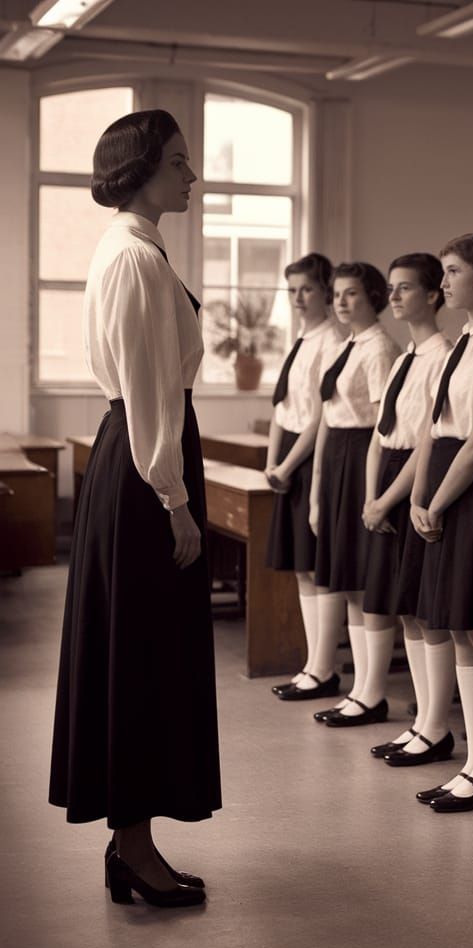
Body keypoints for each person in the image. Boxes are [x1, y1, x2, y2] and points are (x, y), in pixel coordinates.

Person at [49, 109, 219, 907]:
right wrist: (176, 501)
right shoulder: (134, 259)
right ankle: (135, 849)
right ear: (144, 167)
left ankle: (134, 845)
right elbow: (151, 391)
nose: (191, 176)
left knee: (147, 654)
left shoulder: (139, 249)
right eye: (180, 162)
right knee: (141, 658)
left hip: (146, 460)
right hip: (149, 468)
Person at [392, 233, 473, 812]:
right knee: (461, 627)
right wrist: (418, 494)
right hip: (441, 479)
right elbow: (431, 427)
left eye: (453, 272)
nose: (444, 284)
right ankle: (470, 762)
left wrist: (438, 502)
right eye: (441, 272)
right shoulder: (464, 339)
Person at [279, 263, 399, 715]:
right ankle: (358, 689)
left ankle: (372, 690)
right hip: (335, 460)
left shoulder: (379, 348)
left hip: (363, 455)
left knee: (364, 579)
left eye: (352, 294)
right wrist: (316, 493)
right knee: (345, 578)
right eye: (339, 295)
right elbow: (327, 417)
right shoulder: (346, 345)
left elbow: (383, 425)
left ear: (372, 296)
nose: (342, 303)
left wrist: (369, 489)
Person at [360, 253, 455, 748]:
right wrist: (372, 496)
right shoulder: (403, 358)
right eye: (391, 287)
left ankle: (436, 724)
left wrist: (389, 499)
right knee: (403, 609)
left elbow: (428, 440)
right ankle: (420, 724)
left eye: (405, 288)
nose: (393, 297)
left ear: (433, 295)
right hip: (388, 481)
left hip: (416, 482)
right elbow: (382, 433)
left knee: (423, 609)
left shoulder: (442, 356)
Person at [265, 253, 339, 696]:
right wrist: (273, 463)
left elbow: (321, 416)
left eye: (306, 288)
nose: (297, 297)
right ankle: (312, 663)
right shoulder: (300, 338)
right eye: (291, 290)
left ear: (325, 290)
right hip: (287, 462)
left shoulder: (332, 341)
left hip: (310, 459)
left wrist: (289, 465)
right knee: (299, 569)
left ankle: (325, 668)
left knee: (315, 565)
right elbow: (281, 407)